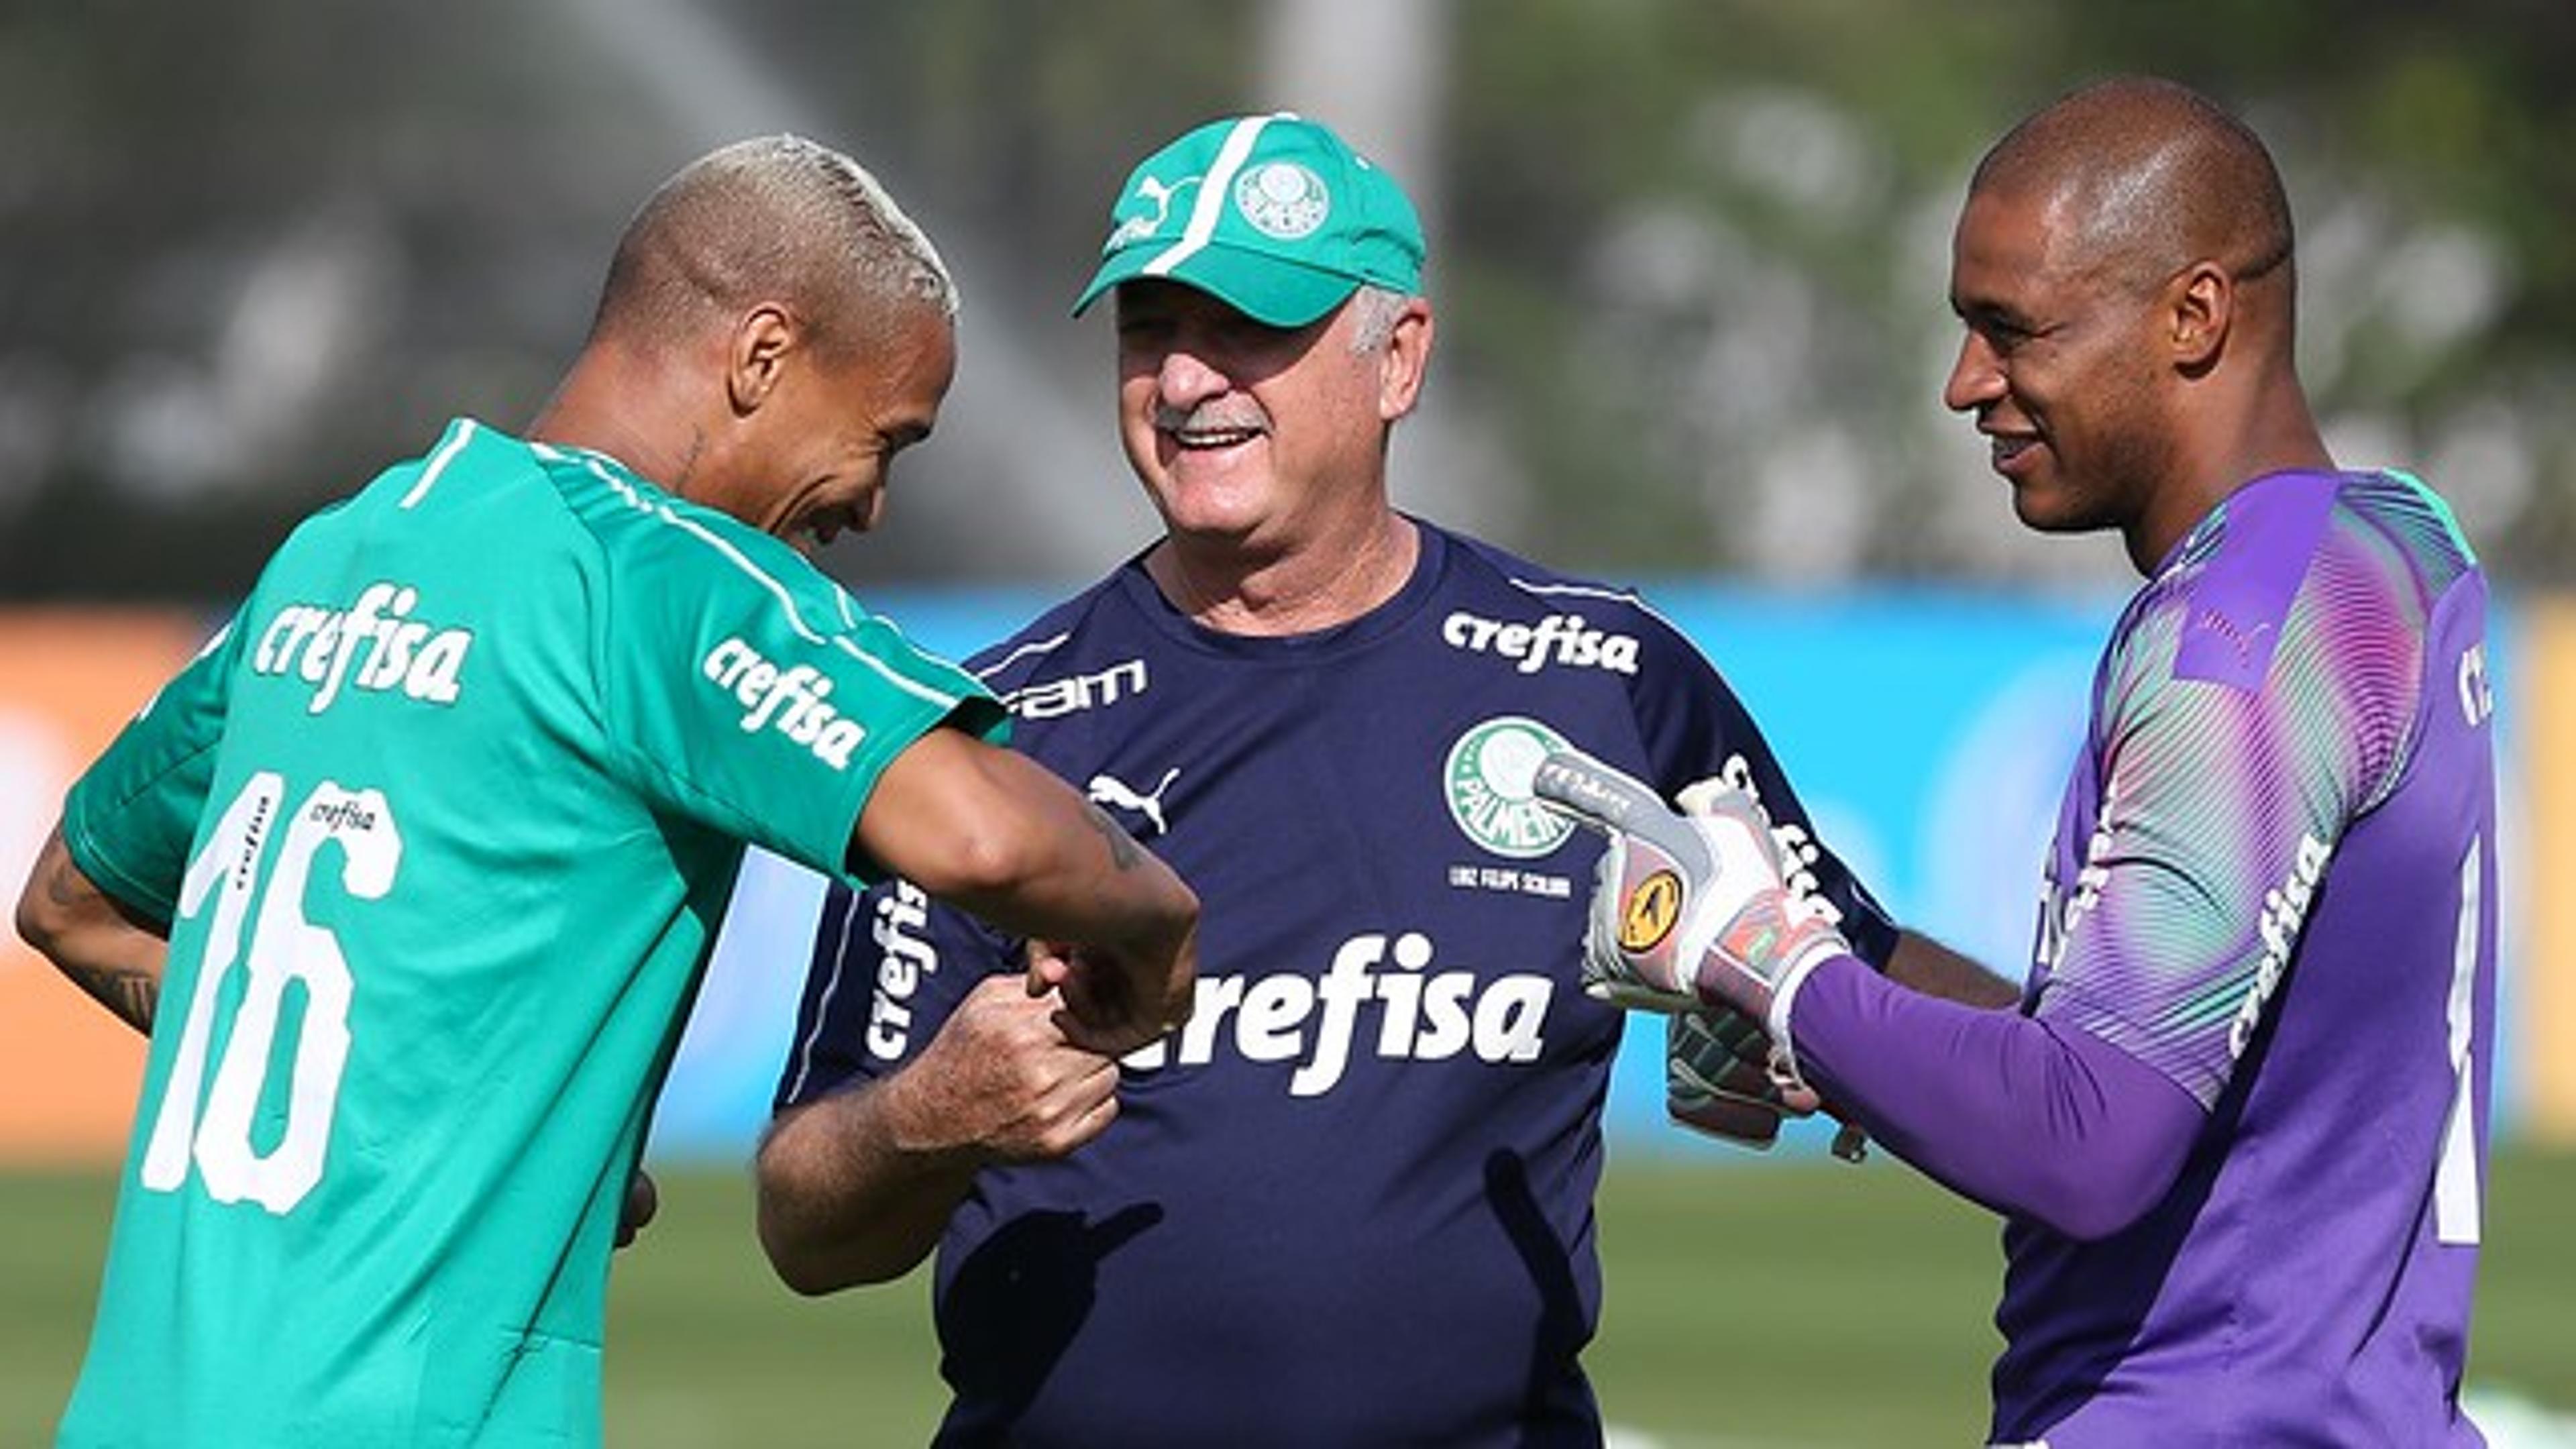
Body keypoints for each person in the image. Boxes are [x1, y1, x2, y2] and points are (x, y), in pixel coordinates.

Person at [751, 111, 1995, 1446]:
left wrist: (2143, 1095)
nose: (1184, 380)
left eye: (1248, 327)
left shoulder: (1605, 676)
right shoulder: (993, 730)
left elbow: (1858, 982)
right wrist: (931, 1120)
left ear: (1398, 358)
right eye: (1149, 329)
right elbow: (805, 1223)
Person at [11, 134, 1198, 1448]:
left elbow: (69, 901)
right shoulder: (656, 574)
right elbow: (982, 835)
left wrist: (448, 1121)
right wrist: (1158, 935)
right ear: (762, 357)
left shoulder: (338, 554)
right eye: (887, 440)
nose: (868, 509)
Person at [1542, 76, 2497, 1446]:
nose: (1966, 384)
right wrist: (1852, 1006)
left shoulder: (2235, 639)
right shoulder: (2392, 550)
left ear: (2195, 315)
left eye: (2014, 330)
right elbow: (2176, 1082)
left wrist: (1761, 962)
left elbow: (2091, 1140)